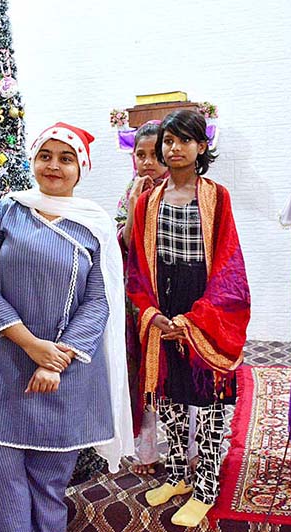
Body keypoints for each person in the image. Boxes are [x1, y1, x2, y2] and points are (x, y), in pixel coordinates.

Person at [0, 122, 132, 532]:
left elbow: (101, 299)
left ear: (81, 168)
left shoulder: (95, 224)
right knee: (3, 488)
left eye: (66, 158)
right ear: (33, 160)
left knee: (49, 488)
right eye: (45, 156)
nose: (53, 166)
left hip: (64, 375)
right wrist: (31, 345)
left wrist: (55, 360)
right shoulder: (7, 211)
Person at [126, 110, 250, 527]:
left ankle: (207, 488)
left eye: (183, 140)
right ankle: (179, 475)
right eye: (168, 141)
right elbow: (138, 267)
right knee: (172, 400)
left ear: (201, 147)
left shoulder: (217, 196)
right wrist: (152, 313)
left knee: (211, 401)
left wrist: (197, 319)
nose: (173, 148)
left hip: (207, 307)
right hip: (165, 305)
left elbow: (229, 262)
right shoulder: (147, 202)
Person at [115, 121, 169, 476]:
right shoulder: (128, 194)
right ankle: (146, 451)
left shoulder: (182, 193)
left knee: (173, 374)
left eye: (155, 154)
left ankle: (186, 449)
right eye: (140, 154)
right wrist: (136, 205)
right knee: (141, 374)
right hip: (138, 301)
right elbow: (127, 244)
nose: (147, 162)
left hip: (173, 297)